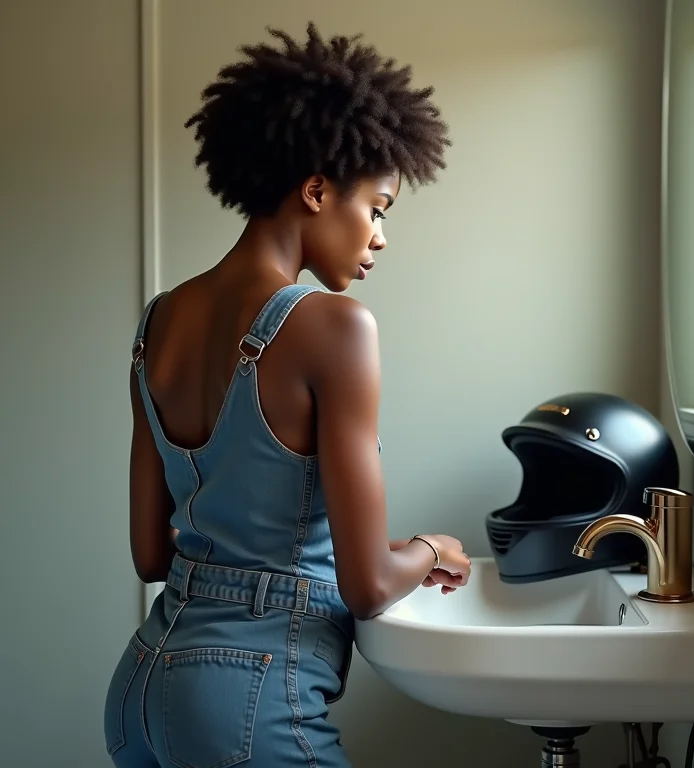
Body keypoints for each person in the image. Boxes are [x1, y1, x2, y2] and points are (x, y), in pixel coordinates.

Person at [103, 22, 472, 768]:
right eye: (378, 208)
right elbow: (367, 586)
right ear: (316, 189)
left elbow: (149, 553)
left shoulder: (158, 320)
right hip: (246, 701)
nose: (380, 236)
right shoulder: (335, 329)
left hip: (141, 690)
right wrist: (432, 547)